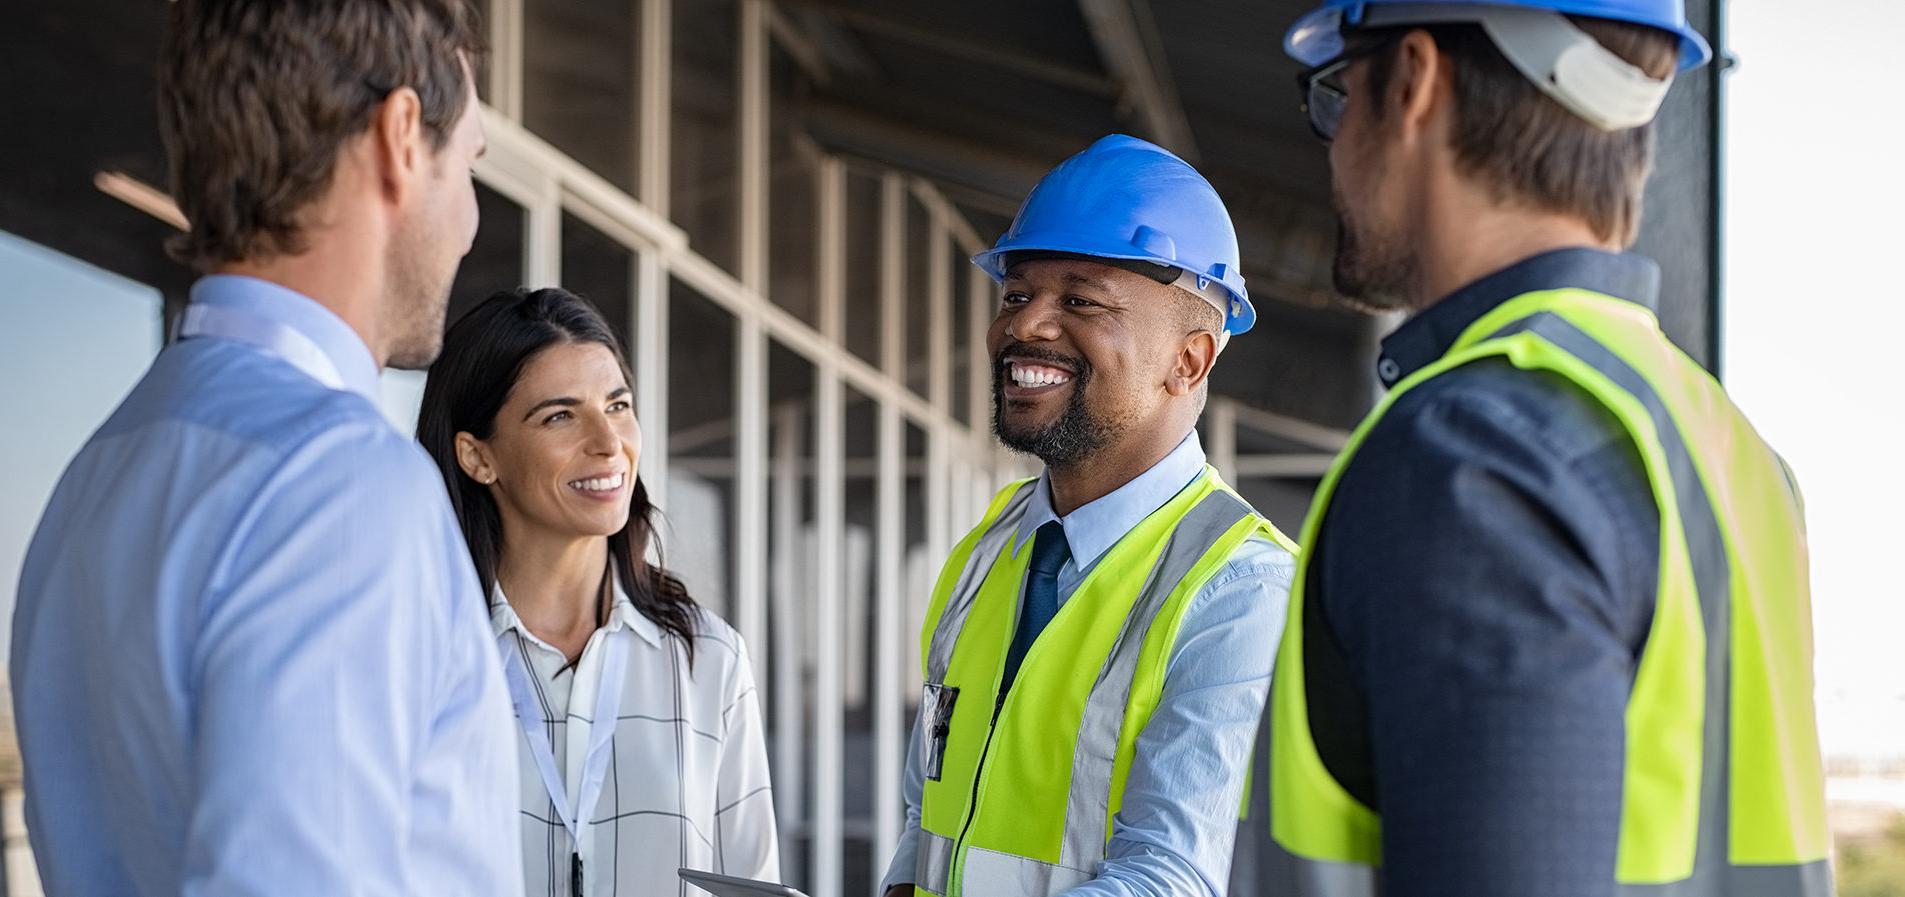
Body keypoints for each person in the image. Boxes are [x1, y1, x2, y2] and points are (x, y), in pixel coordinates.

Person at [1260, 2, 1831, 895]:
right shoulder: (1730, 448)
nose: (1330, 149)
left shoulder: (1469, 454)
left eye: (1338, 96)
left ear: (1412, 79)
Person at [6, 1, 519, 894]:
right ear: (402, 137)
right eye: (469, 162)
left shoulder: (96, 474)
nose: (472, 219)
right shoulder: (347, 485)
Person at [879, 134, 1298, 897]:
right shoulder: (995, 543)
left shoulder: (1241, 588)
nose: (1025, 326)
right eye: (1015, 295)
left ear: (1190, 360)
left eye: (1078, 300)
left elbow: (1171, 875)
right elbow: (928, 809)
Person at [418, 287, 779, 897]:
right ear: (478, 457)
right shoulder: (418, 655)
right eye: (560, 415)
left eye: (617, 405)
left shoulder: (709, 660)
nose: (609, 443)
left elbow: (750, 883)